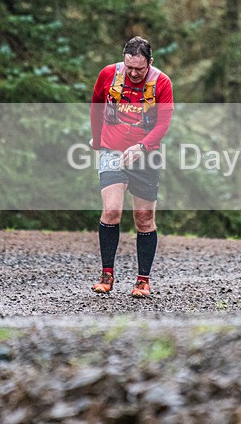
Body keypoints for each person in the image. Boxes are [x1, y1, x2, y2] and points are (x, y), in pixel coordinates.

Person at [89, 36, 174, 298]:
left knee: (144, 218)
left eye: (140, 68)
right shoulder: (107, 75)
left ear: (150, 62)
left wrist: (142, 147)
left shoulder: (162, 82)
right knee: (112, 210)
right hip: (112, 150)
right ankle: (106, 275)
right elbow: (96, 107)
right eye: (130, 67)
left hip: (145, 154)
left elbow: (163, 123)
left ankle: (142, 280)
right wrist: (96, 138)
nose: (134, 74)